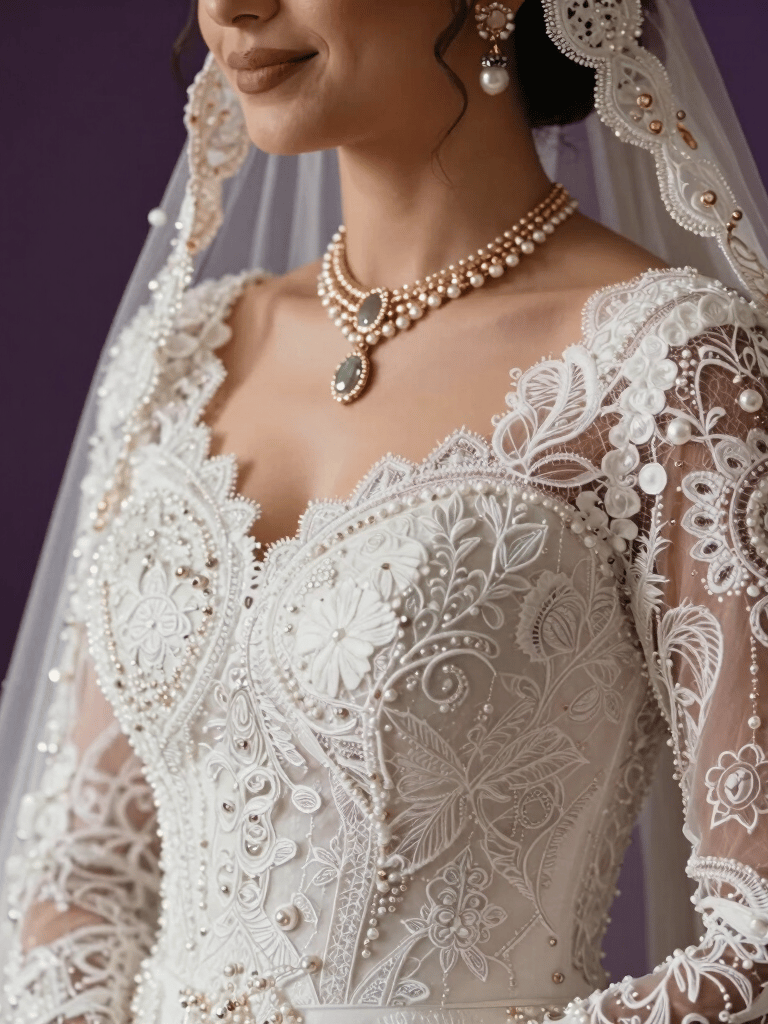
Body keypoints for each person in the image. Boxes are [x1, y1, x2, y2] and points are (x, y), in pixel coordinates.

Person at [3, 1, 768, 1023]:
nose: (233, 8)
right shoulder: (185, 354)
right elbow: (79, 869)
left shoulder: (667, 372)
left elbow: (754, 942)